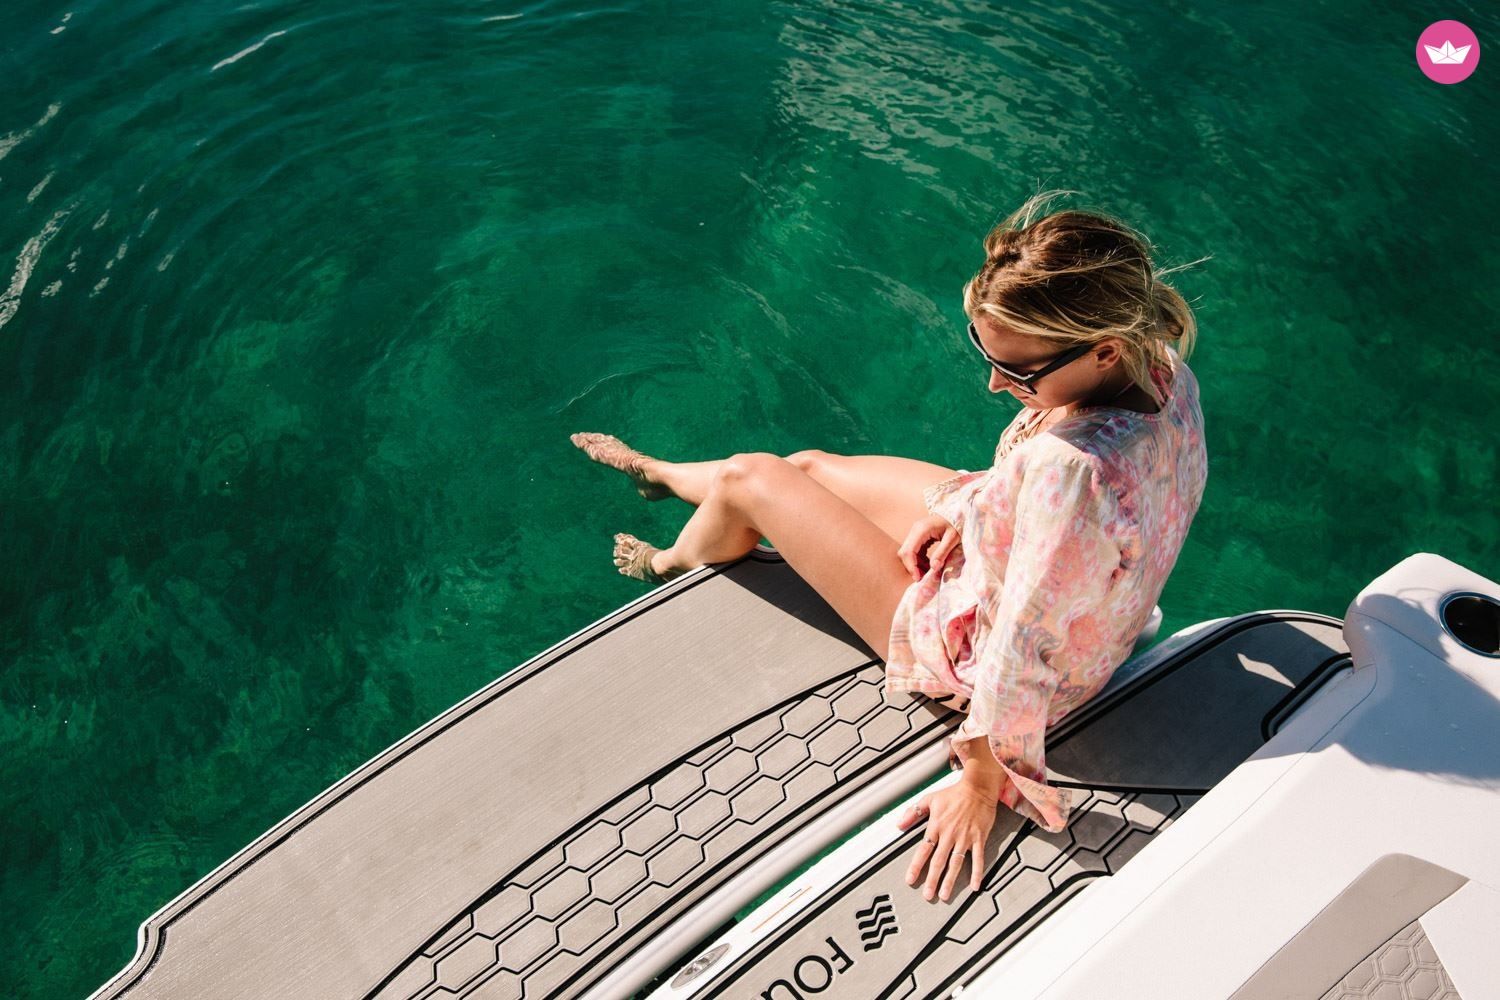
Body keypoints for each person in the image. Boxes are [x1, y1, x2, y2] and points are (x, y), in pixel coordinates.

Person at [570, 188, 1208, 908]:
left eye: (1021, 373)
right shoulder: (1161, 370)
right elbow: (1104, 510)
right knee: (808, 468)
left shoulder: (1071, 472)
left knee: (755, 478)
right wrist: (973, 510)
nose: (995, 383)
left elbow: (1023, 639)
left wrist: (980, 777)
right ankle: (662, 476)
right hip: (1076, 593)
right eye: (985, 350)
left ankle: (668, 563)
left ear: (1102, 347)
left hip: (978, 644)